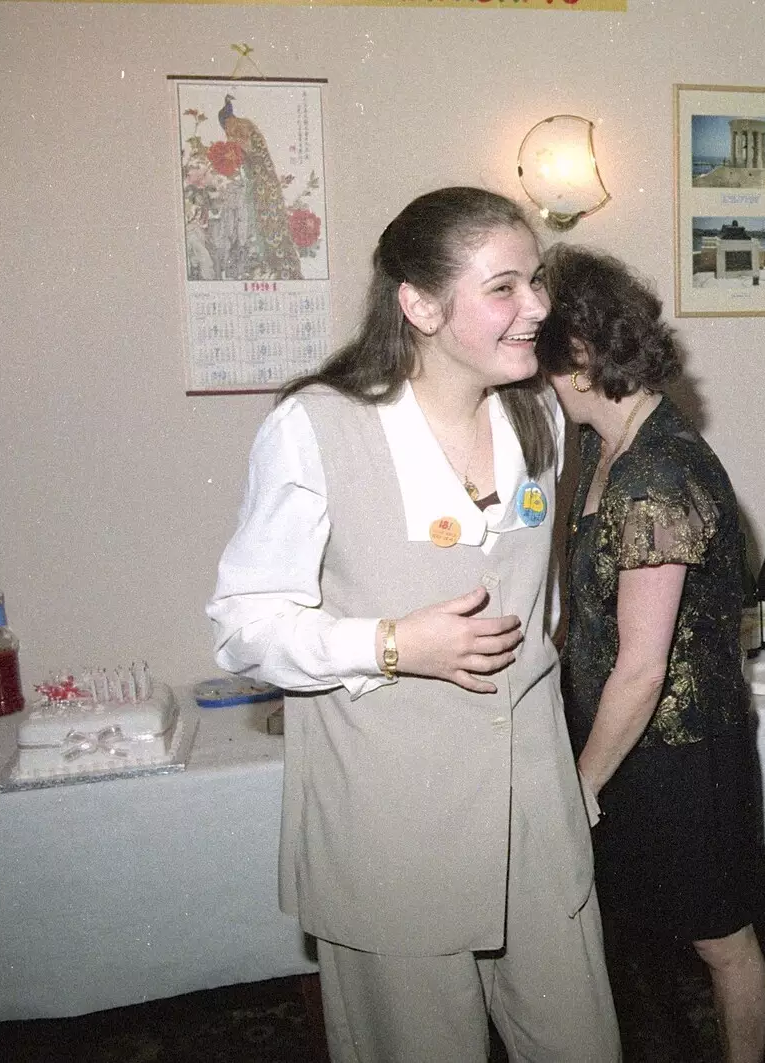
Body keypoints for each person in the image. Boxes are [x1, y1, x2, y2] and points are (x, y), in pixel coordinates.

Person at [207, 187, 620, 1063]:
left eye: (535, 281)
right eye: (505, 287)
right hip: (393, 827)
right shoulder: (318, 427)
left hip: (533, 818)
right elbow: (243, 627)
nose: (538, 306)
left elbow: (536, 611)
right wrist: (391, 645)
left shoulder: (538, 412)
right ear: (421, 305)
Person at [534, 245, 765, 1063]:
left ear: (580, 355)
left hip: (677, 749)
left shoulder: (656, 473)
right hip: (625, 739)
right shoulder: (608, 450)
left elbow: (642, 666)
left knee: (720, 938)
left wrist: (581, 785)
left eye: (543, 361)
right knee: (635, 928)